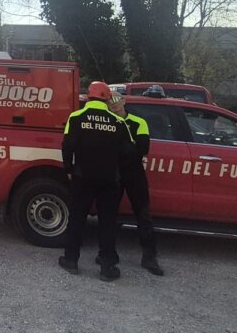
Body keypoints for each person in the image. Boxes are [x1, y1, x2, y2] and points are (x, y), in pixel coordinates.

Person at [59, 81, 136, 281]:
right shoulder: (118, 122)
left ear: (88, 96)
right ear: (107, 98)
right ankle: (107, 266)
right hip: (109, 180)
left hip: (82, 177)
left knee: (77, 219)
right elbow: (129, 152)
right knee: (107, 222)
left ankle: (71, 260)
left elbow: (67, 146)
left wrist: (69, 169)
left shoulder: (76, 117)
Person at [109, 95, 164, 276]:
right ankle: (107, 254)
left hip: (134, 173)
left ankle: (149, 257)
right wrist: (128, 146)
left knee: (143, 214)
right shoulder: (106, 121)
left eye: (116, 99)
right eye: (109, 101)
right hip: (112, 172)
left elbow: (142, 149)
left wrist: (119, 147)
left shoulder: (139, 122)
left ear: (124, 101)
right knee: (108, 214)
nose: (113, 103)